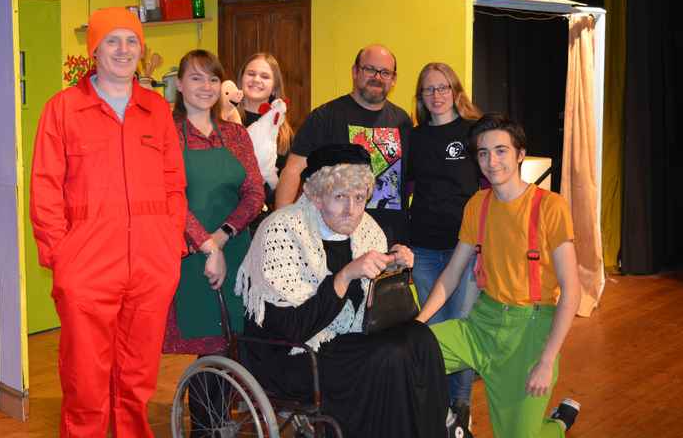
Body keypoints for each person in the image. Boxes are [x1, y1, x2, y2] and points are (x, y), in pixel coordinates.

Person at [29, 7, 187, 437]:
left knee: (137, 378)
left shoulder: (156, 109)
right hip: (86, 264)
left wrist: (169, 243)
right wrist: (61, 256)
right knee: (85, 379)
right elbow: (44, 187)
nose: (122, 49)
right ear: (94, 49)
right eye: (112, 41)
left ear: (141, 50)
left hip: (152, 264)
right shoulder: (63, 110)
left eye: (131, 41)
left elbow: (175, 183)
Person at [236, 143, 450, 437]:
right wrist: (346, 275)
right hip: (291, 355)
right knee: (387, 357)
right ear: (316, 195)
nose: (352, 210)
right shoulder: (281, 230)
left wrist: (393, 265)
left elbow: (371, 307)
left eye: (359, 198)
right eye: (340, 197)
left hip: (347, 339)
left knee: (420, 338)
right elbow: (291, 330)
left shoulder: (367, 229)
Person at [417, 114, 582, 438]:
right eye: (483, 153)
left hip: (530, 332)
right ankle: (451, 423)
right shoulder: (478, 204)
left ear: (520, 154)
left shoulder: (550, 207)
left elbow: (572, 291)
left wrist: (547, 361)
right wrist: (419, 323)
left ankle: (558, 424)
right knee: (408, 357)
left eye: (501, 151)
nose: (491, 161)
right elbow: (451, 274)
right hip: (483, 322)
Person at [161, 50, 264, 431]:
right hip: (189, 256)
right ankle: (205, 429)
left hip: (236, 252)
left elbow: (254, 193)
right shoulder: (167, 135)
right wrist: (205, 244)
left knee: (233, 347)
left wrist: (221, 238)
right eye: (195, 78)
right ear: (179, 85)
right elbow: (168, 195)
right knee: (208, 348)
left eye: (212, 79)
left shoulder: (236, 134)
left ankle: (223, 424)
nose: (205, 87)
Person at [408, 62, 483, 432]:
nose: (436, 95)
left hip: (465, 250)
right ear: (420, 97)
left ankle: (462, 407)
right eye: (428, 89)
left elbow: (490, 190)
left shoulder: (473, 133)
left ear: (455, 91)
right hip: (422, 248)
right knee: (435, 332)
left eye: (442, 87)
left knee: (463, 329)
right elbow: (402, 189)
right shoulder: (415, 138)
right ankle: (441, 412)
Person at [275, 44, 412, 246]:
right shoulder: (325, 117)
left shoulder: (402, 121)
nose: (377, 77)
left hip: (390, 241)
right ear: (355, 71)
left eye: (385, 72)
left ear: (393, 80)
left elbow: (406, 182)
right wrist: (280, 228)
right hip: (333, 241)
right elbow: (293, 170)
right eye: (370, 69)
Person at [236, 52, 294, 231]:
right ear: (241, 78)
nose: (256, 80)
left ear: (274, 86)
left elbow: (284, 182)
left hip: (262, 223)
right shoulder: (225, 119)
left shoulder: (283, 132)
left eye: (265, 76)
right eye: (251, 74)